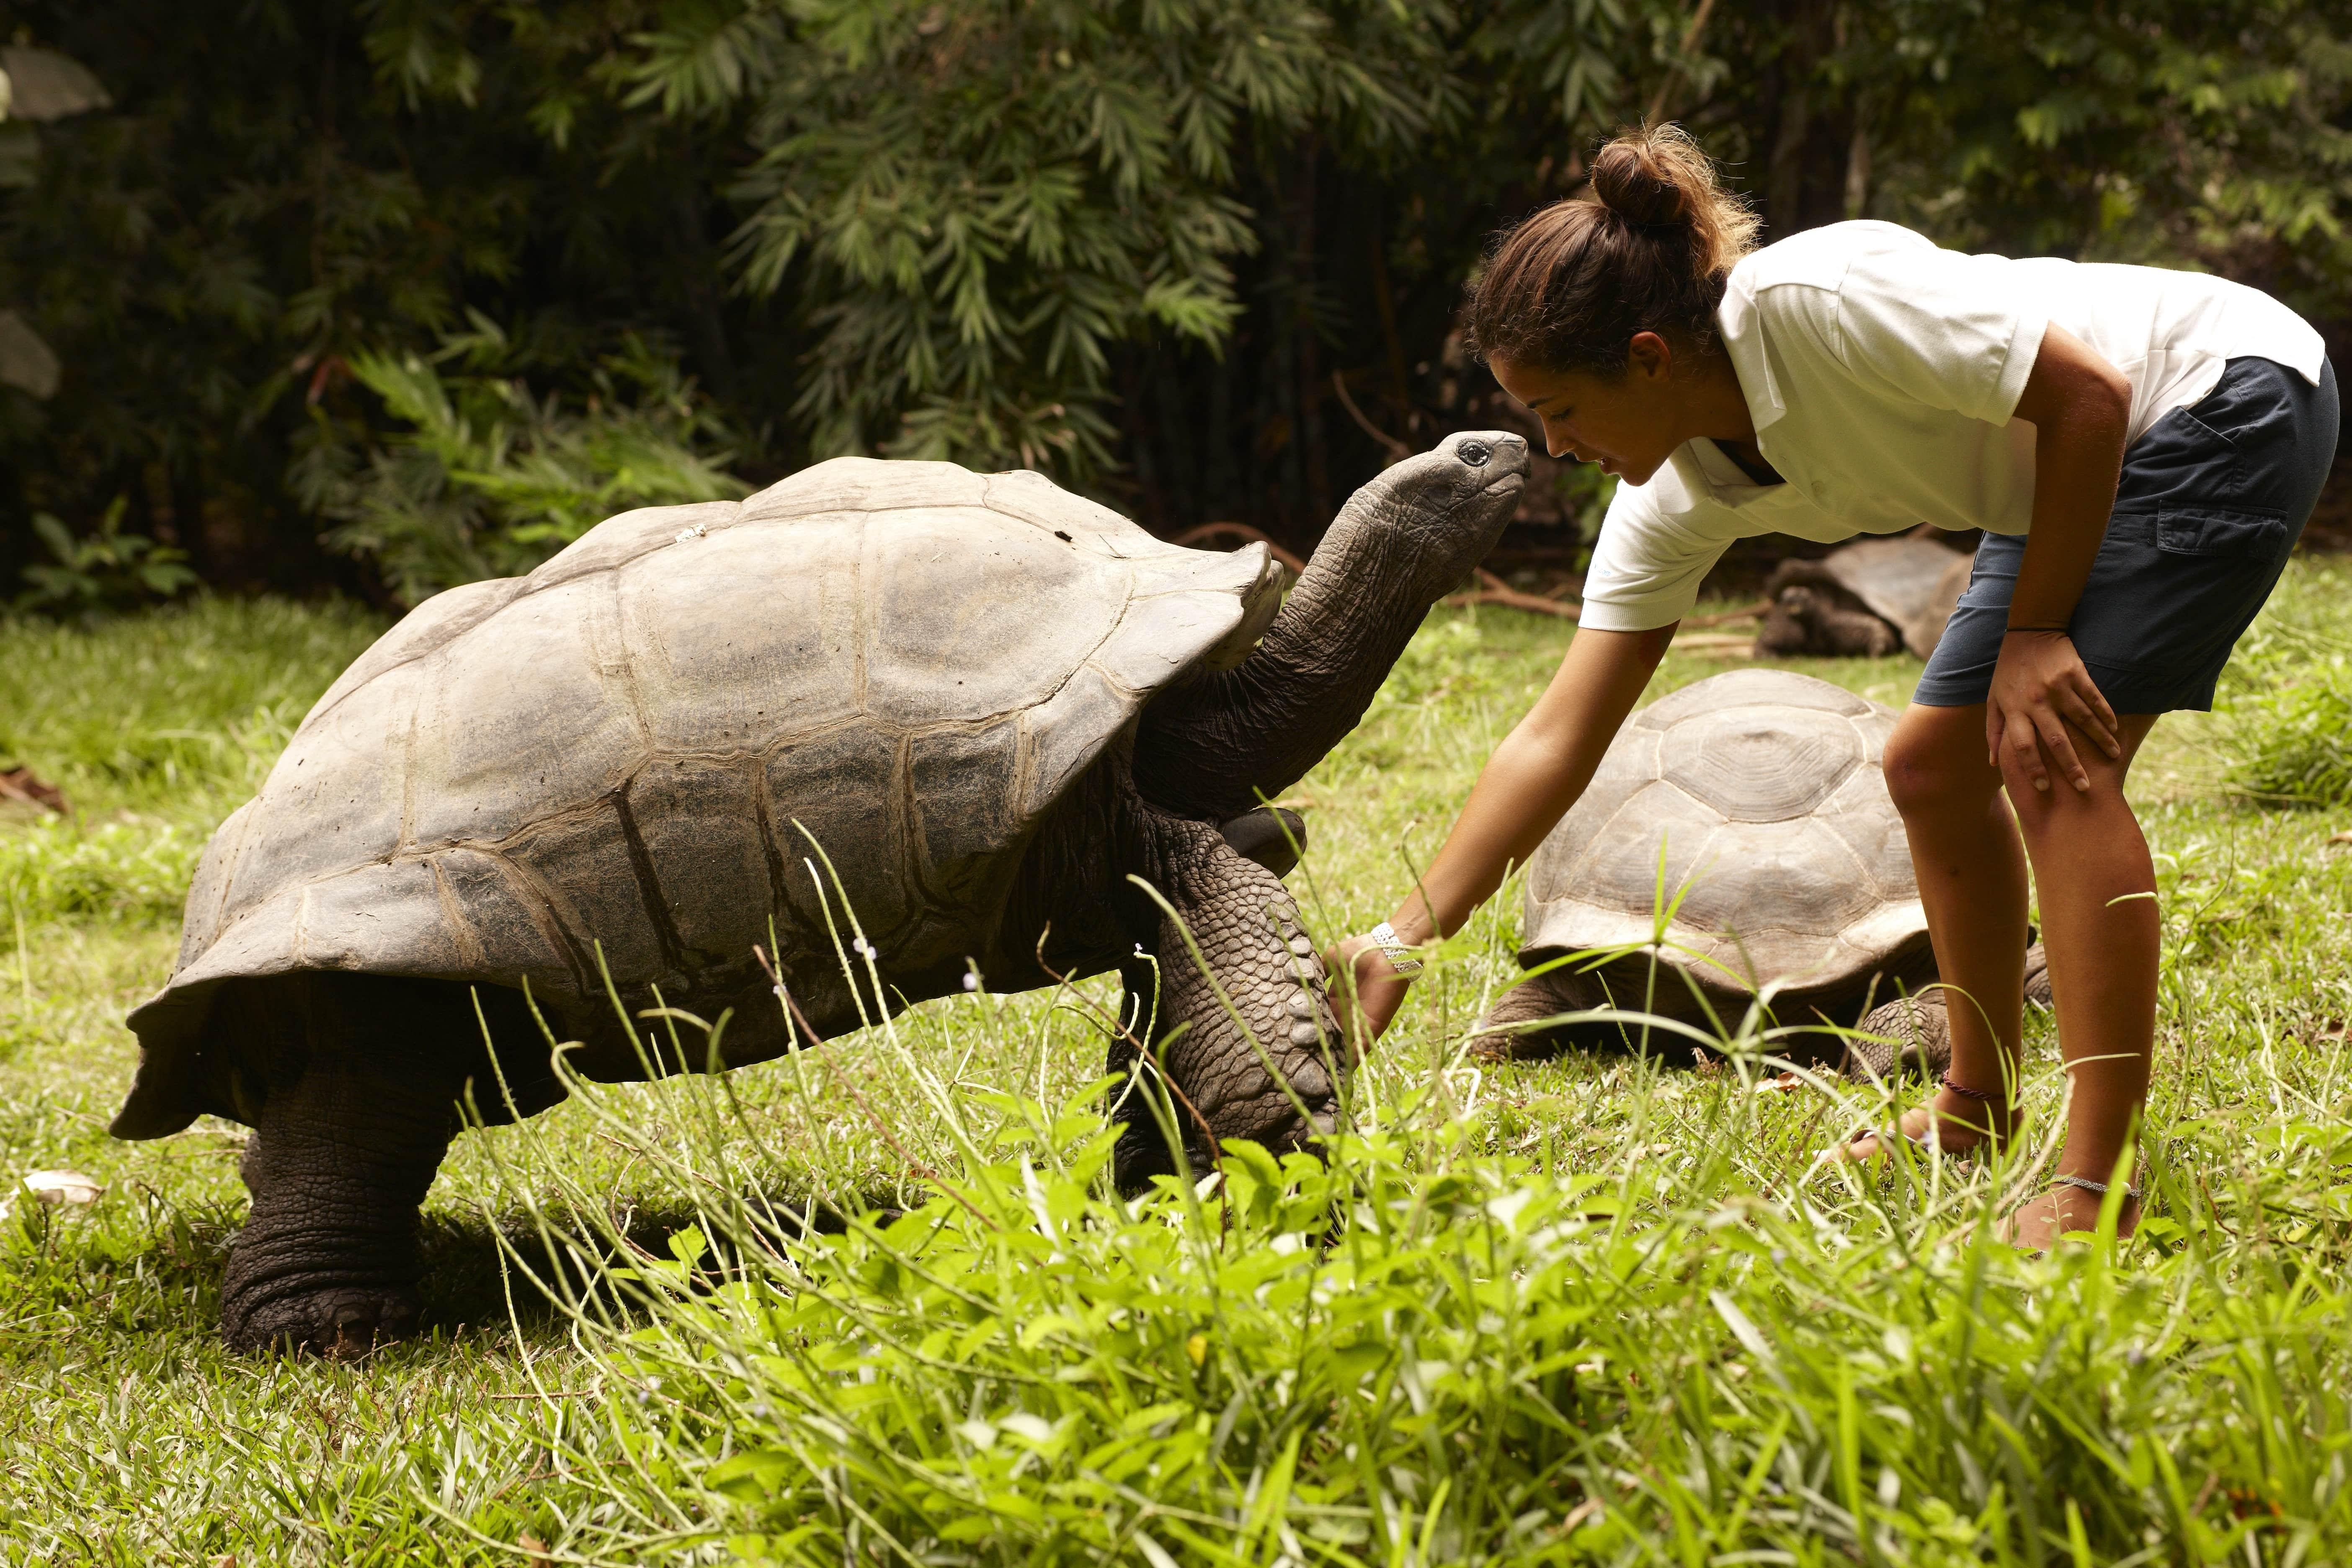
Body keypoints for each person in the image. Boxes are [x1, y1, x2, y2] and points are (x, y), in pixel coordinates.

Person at [1331, 124, 2336, 1247]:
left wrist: (2039, 630)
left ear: (1652, 358)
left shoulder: (1818, 302)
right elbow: (1556, 737)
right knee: (1930, 770)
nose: (1555, 448)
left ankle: (2097, 1182)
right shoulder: (1675, 499)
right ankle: (1976, 1103)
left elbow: (2090, 393)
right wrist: (1403, 937)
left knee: (2049, 758)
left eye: (1561, 411)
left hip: (2215, 392)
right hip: (2048, 466)